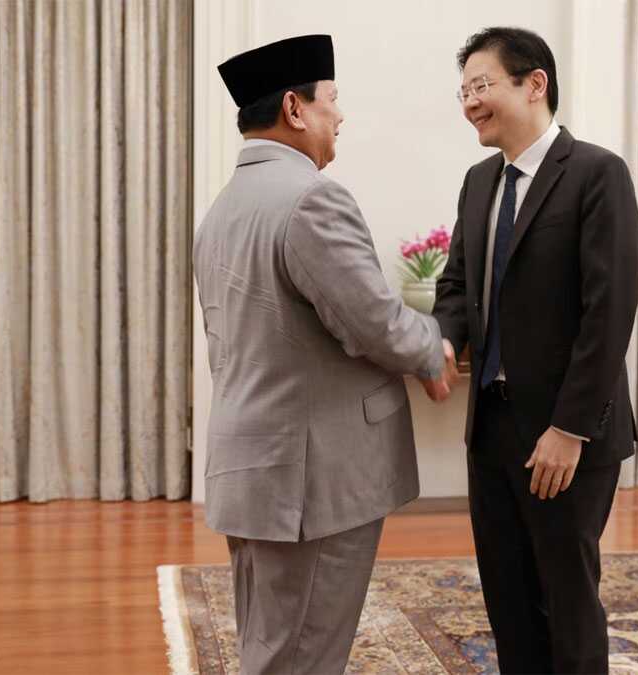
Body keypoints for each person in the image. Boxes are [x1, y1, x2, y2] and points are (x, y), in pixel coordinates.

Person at [193, 34, 458, 674]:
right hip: (311, 480)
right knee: (303, 656)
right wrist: (432, 349)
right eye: (333, 100)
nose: (341, 115)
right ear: (295, 107)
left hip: (255, 468)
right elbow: (372, 322)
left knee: (270, 646)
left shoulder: (223, 209)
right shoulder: (312, 197)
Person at [432, 26, 638, 674]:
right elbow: (457, 283)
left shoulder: (597, 174)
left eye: (482, 85)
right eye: (463, 90)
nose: (469, 101)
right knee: (508, 600)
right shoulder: (477, 182)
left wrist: (570, 427)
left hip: (564, 436)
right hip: (489, 428)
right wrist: (442, 336)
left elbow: (608, 313)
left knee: (567, 599)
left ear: (535, 83)